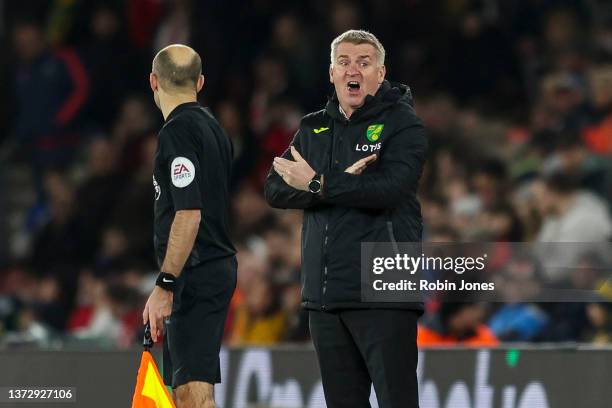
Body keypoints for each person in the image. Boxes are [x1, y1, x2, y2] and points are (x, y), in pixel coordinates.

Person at [264, 30, 428, 408]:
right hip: (325, 295)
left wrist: (319, 184)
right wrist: (326, 186)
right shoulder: (313, 127)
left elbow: (391, 189)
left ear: (381, 73)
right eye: (344, 62)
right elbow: (274, 188)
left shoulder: (404, 125)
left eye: (364, 63)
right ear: (331, 73)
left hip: (385, 288)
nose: (353, 69)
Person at [142, 44, 236, 408]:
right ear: (199, 82)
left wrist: (165, 283)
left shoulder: (176, 133)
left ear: (153, 81)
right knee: (185, 389)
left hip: (197, 271)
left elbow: (189, 213)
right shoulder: (214, 129)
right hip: (210, 266)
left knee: (194, 392)